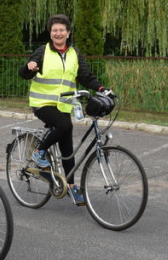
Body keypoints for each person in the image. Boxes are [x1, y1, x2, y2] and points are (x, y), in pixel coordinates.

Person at [18, 14, 112, 206]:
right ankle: (39, 152)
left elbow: (85, 76)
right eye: (54, 30)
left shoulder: (74, 54)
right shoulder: (42, 51)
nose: (58, 33)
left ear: (68, 33)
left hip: (63, 105)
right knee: (65, 126)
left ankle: (70, 186)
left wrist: (102, 89)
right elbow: (24, 73)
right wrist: (29, 67)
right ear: (50, 33)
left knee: (67, 149)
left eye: (62, 30)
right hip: (42, 103)